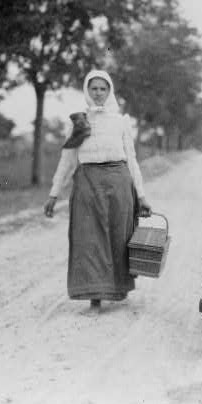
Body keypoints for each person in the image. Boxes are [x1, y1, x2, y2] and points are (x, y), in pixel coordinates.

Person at [43, 70, 152, 315]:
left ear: (110, 91)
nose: (98, 93)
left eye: (103, 88)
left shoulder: (121, 121)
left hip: (118, 183)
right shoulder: (79, 122)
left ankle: (115, 290)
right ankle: (94, 298)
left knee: (117, 238)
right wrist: (54, 193)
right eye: (94, 88)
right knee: (89, 239)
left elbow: (132, 160)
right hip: (87, 184)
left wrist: (142, 195)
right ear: (87, 91)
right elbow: (67, 160)